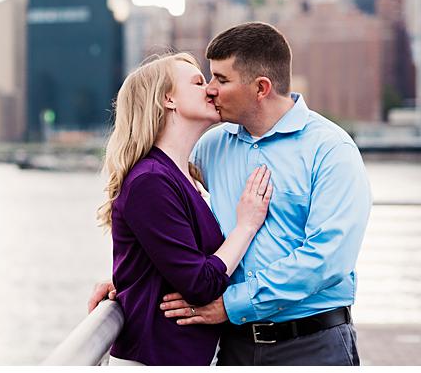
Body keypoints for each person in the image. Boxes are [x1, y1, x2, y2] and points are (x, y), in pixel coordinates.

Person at [89, 22, 372, 366]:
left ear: (261, 88)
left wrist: (231, 304)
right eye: (207, 79)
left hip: (311, 345)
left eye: (221, 80)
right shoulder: (209, 147)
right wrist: (134, 279)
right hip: (234, 348)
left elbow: (328, 260)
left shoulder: (330, 149)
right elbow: (156, 212)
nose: (210, 90)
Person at [98, 52, 273, 366]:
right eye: (198, 82)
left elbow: (168, 261)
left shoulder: (183, 176)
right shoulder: (149, 181)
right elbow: (201, 283)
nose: (210, 90)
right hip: (154, 360)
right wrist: (246, 226)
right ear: (168, 99)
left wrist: (127, 280)